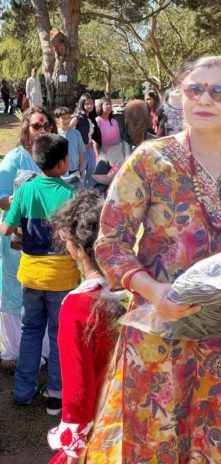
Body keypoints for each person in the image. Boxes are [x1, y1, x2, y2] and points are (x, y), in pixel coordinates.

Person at [84, 55, 221, 462]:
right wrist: (154, 292)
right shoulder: (151, 160)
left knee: (220, 444)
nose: (204, 98)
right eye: (194, 89)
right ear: (180, 99)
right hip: (162, 333)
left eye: (218, 91)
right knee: (158, 441)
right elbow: (110, 242)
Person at [1, 133, 78, 415]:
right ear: (61, 164)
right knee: (59, 335)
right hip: (62, 278)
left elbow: (6, 229)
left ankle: (23, 392)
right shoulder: (71, 194)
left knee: (30, 331)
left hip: (31, 276)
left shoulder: (25, 191)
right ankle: (55, 397)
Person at [46, 190, 125, 464]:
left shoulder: (77, 307)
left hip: (101, 424)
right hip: (137, 417)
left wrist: (72, 448)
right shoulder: (135, 291)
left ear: (77, 248)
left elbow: (79, 389)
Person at [0, 107, 52, 369]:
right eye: (36, 126)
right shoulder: (14, 159)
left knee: (41, 291)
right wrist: (27, 200)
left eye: (46, 126)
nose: (42, 131)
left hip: (46, 237)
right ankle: (13, 350)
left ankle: (40, 350)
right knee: (15, 291)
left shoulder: (52, 155)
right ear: (26, 129)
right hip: (18, 238)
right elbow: (1, 198)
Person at [70, 93, 102, 189]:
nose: (89, 106)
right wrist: (81, 146)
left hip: (90, 150)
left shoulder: (91, 118)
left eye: (91, 103)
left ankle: (89, 195)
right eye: (87, 103)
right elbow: (68, 133)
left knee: (91, 173)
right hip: (81, 152)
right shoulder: (77, 118)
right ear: (82, 104)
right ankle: (80, 196)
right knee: (81, 175)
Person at [54, 107, 85, 179]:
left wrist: (81, 167)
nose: (66, 120)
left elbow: (81, 152)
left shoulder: (76, 133)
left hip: (75, 170)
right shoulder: (55, 135)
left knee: (76, 190)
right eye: (63, 118)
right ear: (57, 120)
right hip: (60, 172)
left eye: (68, 118)